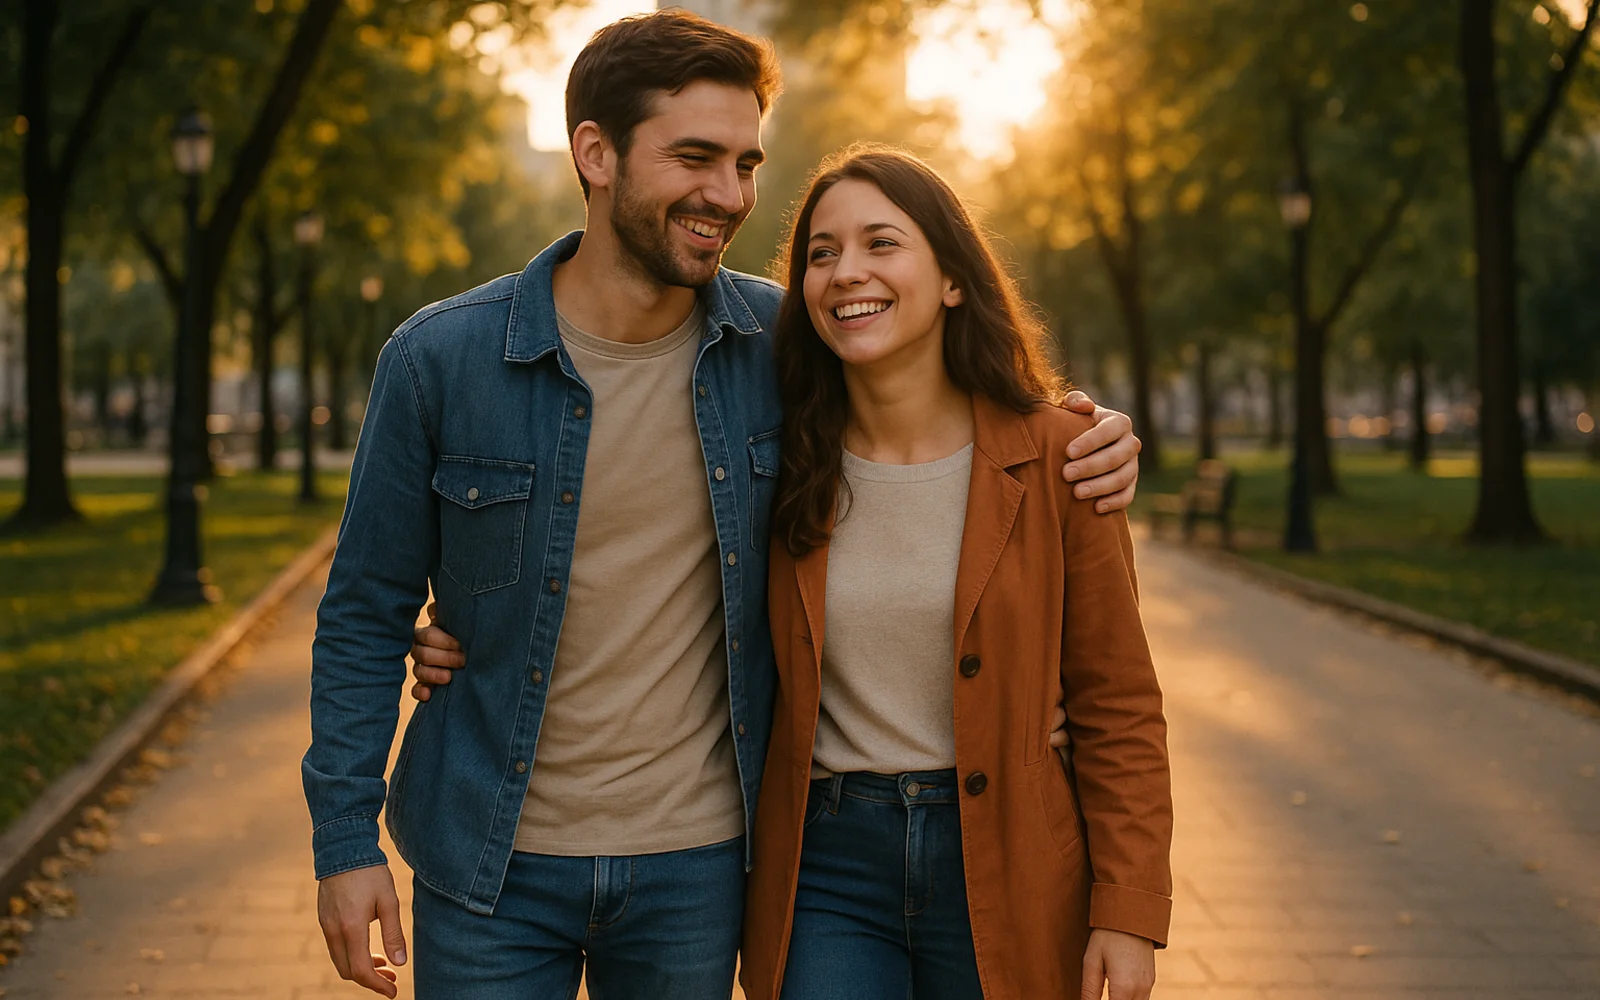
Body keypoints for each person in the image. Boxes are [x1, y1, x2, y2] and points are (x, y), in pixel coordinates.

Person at [306, 11, 1142, 1000]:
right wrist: (343, 843)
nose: (727, 195)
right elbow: (364, 614)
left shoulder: (785, 345)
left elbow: (932, 392)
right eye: (694, 157)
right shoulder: (440, 360)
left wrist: (1076, 432)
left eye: (745, 163)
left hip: (700, 864)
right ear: (595, 153)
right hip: (490, 860)